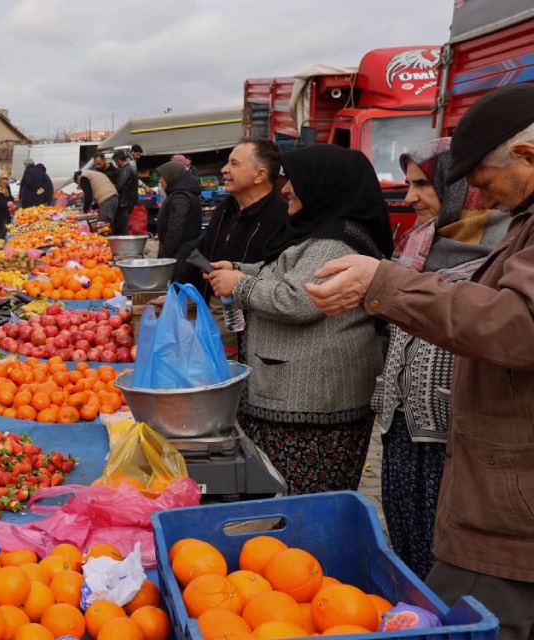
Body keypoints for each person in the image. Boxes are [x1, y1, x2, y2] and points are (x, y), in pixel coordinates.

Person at [306, 85, 534, 636]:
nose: (482, 197)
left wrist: (388, 284)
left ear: (527, 156)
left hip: (511, 498)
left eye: (484, 181)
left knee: (458, 619)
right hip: (496, 483)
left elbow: (520, 325)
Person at [204, 144, 391, 497]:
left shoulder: (333, 242)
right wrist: (241, 270)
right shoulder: (320, 232)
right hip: (296, 399)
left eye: (294, 181)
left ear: (324, 185)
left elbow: (299, 300)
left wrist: (240, 286)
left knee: (304, 501)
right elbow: (285, 274)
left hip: (312, 404)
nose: (285, 188)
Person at [369, 138, 510, 581]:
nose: (409, 197)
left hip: (456, 438)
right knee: (407, 544)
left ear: (459, 187)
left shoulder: (506, 248)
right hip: (401, 429)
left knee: (448, 561)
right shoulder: (419, 241)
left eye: (423, 185)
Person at [173, 139, 290, 299]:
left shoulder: (284, 216)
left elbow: (282, 275)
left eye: (234, 164)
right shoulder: (226, 209)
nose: (224, 169)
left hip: (255, 315)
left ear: (259, 175)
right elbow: (202, 252)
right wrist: (178, 292)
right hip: (216, 307)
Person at [154, 161, 203, 262]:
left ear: (171, 176)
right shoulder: (180, 193)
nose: (160, 181)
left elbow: (175, 229)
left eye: (162, 177)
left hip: (179, 256)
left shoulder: (180, 197)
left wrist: (164, 256)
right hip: (180, 253)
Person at [112, 150, 140, 235]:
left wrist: (113, 186)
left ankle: (124, 245)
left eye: (116, 162)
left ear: (118, 160)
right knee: (124, 225)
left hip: (124, 203)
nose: (116, 164)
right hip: (130, 201)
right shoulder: (131, 168)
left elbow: (119, 186)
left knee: (122, 226)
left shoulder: (126, 170)